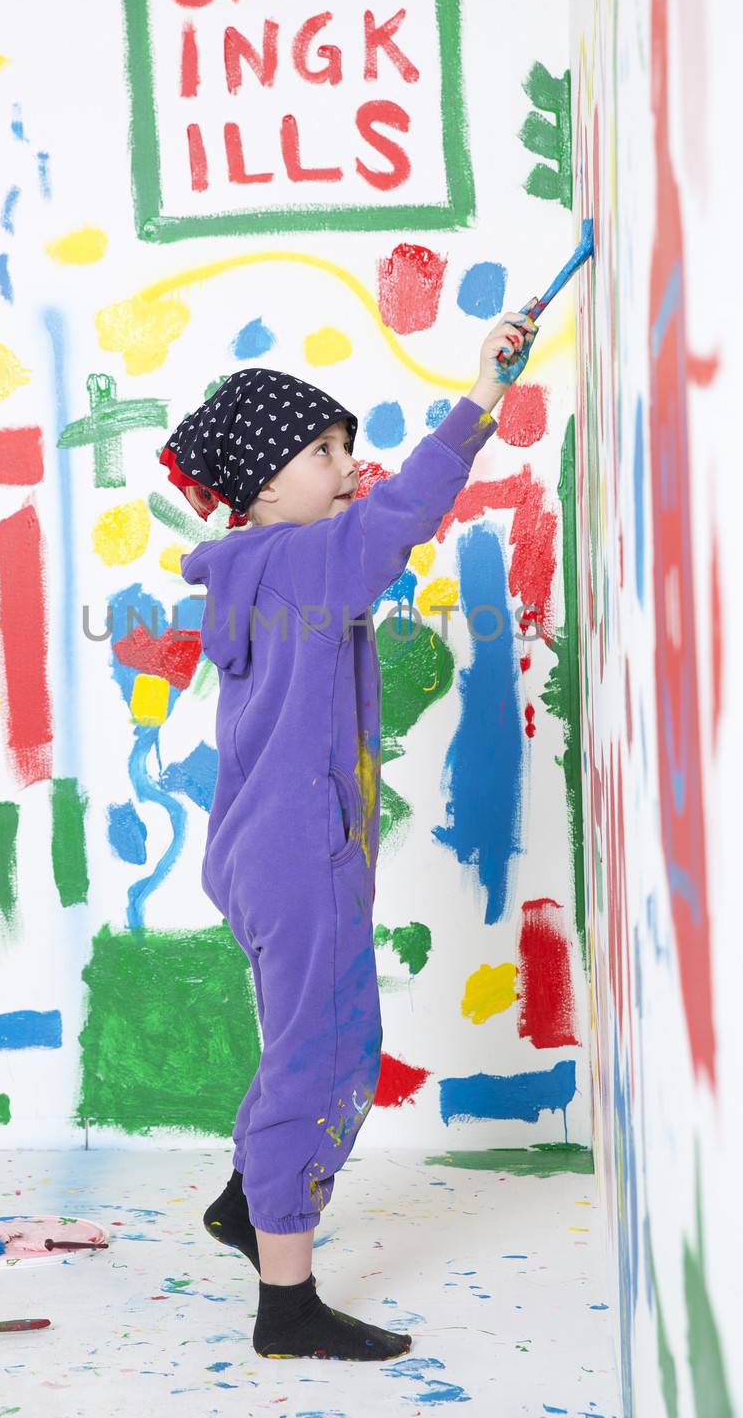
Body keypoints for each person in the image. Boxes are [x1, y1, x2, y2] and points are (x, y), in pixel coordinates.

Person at [162, 302, 538, 1361]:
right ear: (261, 487)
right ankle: (286, 1303)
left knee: (298, 1045)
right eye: (320, 451)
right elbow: (409, 507)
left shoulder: (248, 567)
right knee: (324, 1063)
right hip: (303, 854)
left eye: (345, 448)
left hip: (254, 851)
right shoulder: (307, 560)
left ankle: (247, 1203)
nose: (343, 466)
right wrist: (480, 397)